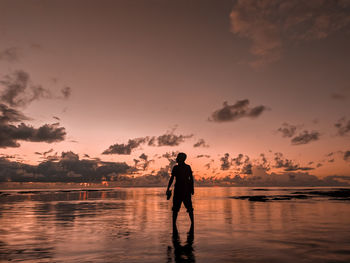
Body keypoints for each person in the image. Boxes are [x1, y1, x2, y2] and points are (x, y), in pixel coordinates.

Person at [166, 152, 194, 230]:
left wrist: (192, 189)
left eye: (178, 157)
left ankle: (190, 225)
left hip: (183, 190)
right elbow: (172, 179)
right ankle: (176, 226)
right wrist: (168, 188)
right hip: (182, 190)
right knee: (179, 209)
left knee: (187, 208)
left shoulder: (186, 167)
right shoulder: (176, 168)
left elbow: (191, 178)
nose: (177, 158)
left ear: (182, 159)